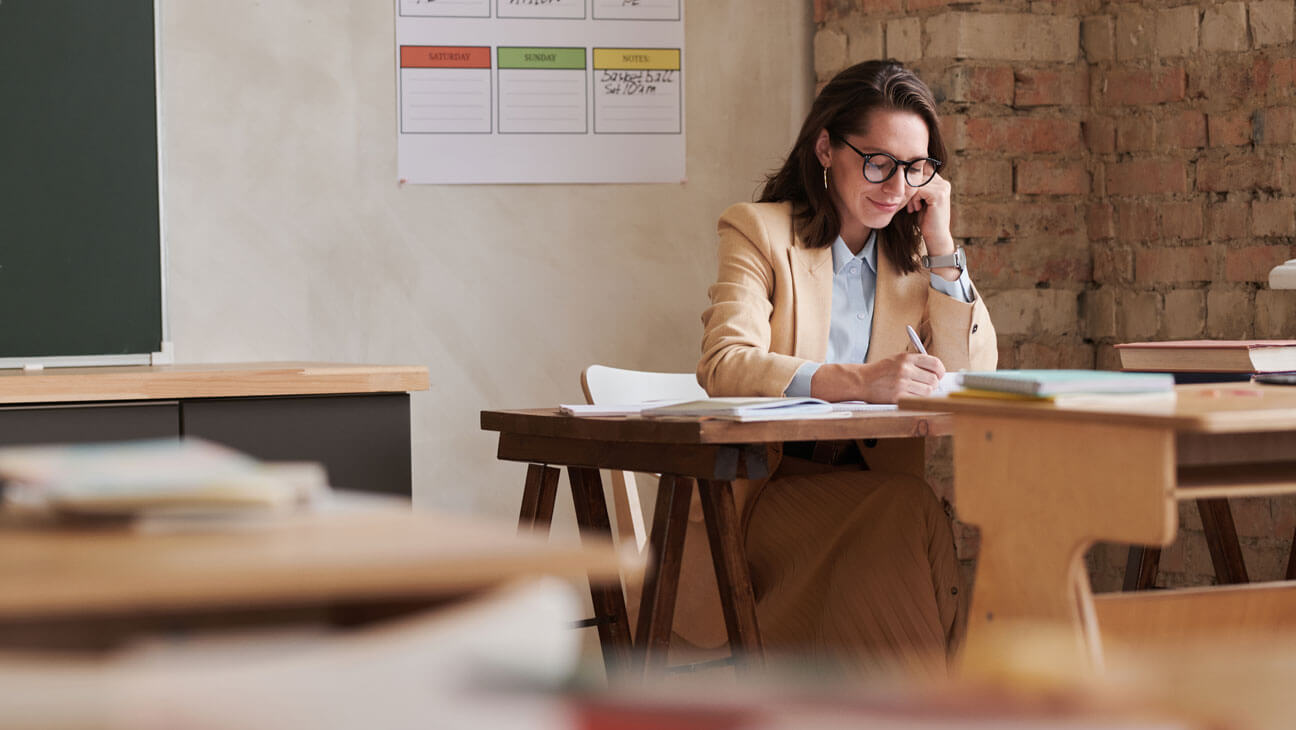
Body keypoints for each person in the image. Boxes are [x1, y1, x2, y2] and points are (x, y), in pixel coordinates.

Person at [679, 60, 998, 677]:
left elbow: (970, 370)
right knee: (909, 512)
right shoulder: (760, 231)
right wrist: (855, 381)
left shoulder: (914, 264)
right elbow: (724, 362)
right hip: (765, 495)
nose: (896, 185)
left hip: (876, 493)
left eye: (915, 168)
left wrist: (941, 243)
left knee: (911, 512)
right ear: (826, 147)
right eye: (877, 162)